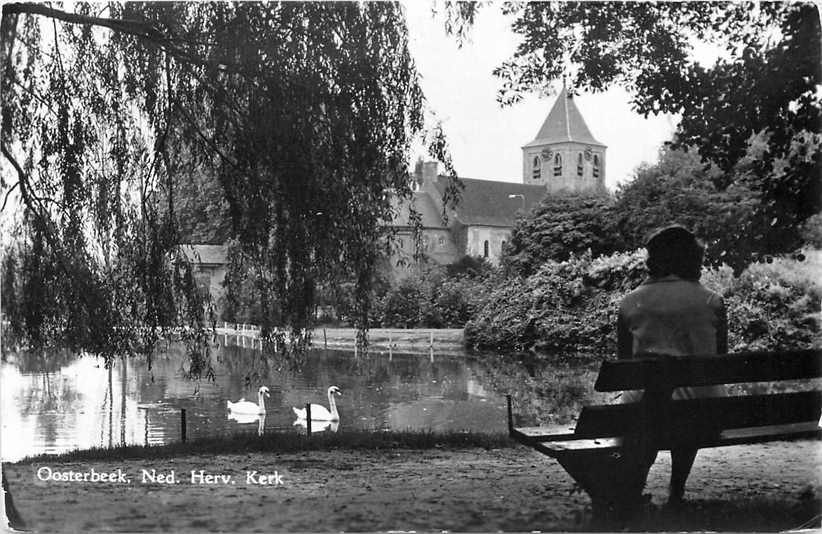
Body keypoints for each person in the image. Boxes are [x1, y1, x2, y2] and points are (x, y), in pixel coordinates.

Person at [617, 225, 728, 505]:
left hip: (648, 414)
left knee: (648, 401)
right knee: (688, 401)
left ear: (653, 259)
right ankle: (676, 489)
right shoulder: (712, 301)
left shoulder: (630, 302)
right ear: (693, 259)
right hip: (704, 415)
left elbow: (623, 367)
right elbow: (721, 360)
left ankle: (633, 485)